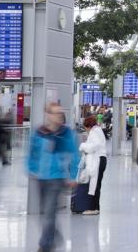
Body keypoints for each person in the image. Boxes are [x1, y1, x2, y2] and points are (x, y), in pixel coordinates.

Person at [28, 103, 79, 252]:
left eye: (60, 113)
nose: (58, 116)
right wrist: (31, 169)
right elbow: (32, 153)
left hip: (57, 178)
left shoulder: (66, 133)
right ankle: (55, 236)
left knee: (49, 213)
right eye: (55, 113)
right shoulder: (39, 132)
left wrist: (73, 176)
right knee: (42, 214)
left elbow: (75, 155)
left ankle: (45, 245)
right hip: (41, 178)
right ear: (48, 114)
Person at [79, 115, 107, 215]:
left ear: (88, 126)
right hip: (101, 159)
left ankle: (93, 208)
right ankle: (95, 207)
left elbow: (95, 146)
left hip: (98, 160)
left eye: (85, 128)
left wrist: (83, 146)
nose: (86, 130)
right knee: (96, 184)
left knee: (94, 184)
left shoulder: (94, 132)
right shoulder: (98, 131)